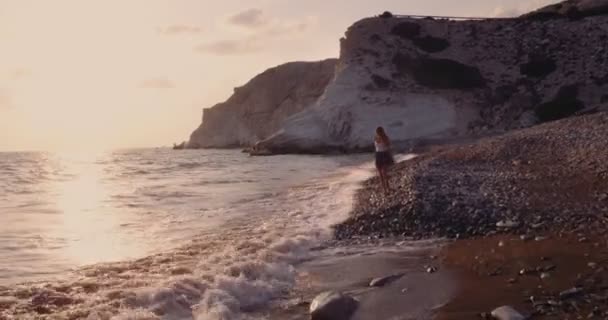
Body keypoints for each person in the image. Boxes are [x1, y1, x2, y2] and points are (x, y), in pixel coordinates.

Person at [374, 126, 395, 194]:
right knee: (381, 173)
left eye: (378, 131)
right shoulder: (376, 138)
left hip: (383, 154)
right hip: (378, 155)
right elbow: (377, 148)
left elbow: (388, 147)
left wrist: (390, 156)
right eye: (377, 131)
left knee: (384, 173)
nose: (377, 133)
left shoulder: (385, 138)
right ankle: (385, 189)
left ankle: (387, 188)